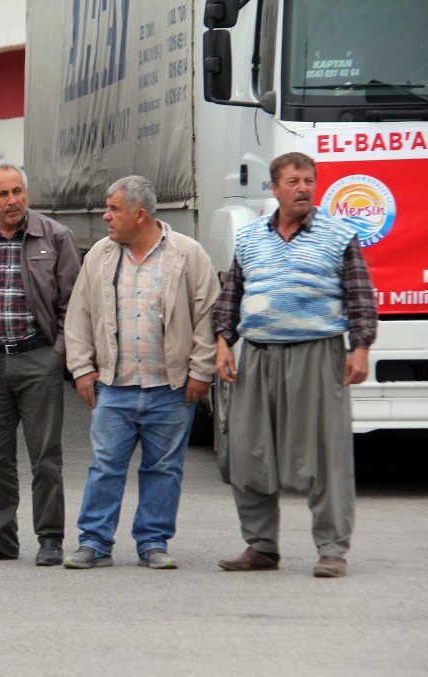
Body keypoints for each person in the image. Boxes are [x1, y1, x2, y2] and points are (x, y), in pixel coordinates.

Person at [213, 152, 377, 579]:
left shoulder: (339, 235)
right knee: (248, 453)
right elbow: (232, 295)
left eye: (309, 180)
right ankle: (261, 546)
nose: (303, 188)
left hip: (317, 353)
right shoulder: (249, 238)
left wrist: (360, 348)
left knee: (325, 455)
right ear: (274, 189)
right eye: (293, 181)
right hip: (259, 354)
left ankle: (332, 549)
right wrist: (222, 343)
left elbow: (360, 298)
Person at [62, 175, 219, 570]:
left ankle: (153, 542)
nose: (105, 217)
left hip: (170, 387)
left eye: (113, 209)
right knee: (104, 466)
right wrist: (82, 369)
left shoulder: (188, 254)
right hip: (114, 386)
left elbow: (208, 316)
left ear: (140, 214)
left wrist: (201, 370)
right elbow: (78, 316)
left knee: (164, 468)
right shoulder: (100, 254)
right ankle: (94, 542)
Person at [0, 163, 81, 566]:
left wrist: (56, 354)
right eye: (3, 194)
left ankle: (50, 538)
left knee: (45, 456)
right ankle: (2, 537)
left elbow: (73, 304)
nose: (13, 201)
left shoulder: (56, 237)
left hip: (37, 359)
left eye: (18, 191)